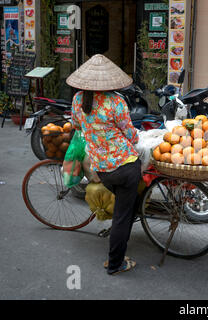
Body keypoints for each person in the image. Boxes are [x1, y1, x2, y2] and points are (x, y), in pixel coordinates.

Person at [66, 54, 141, 275]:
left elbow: (76, 125)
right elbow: (131, 136)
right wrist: (135, 137)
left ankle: (125, 226)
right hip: (125, 167)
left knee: (125, 208)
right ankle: (116, 264)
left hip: (102, 170)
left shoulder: (78, 99)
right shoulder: (116, 101)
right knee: (122, 215)